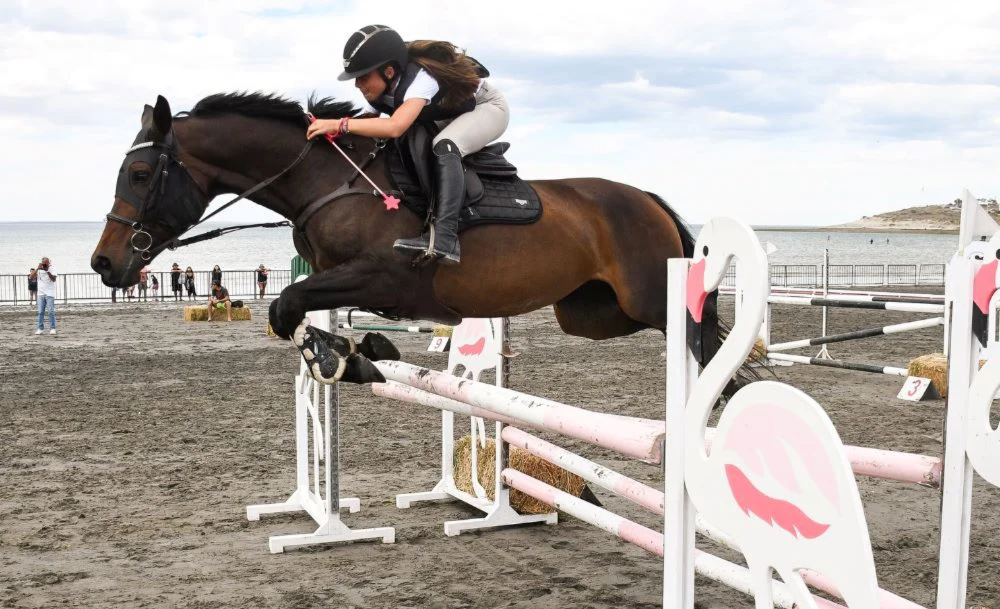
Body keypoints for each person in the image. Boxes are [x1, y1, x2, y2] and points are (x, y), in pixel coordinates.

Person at [307, 25, 508, 266]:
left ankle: (445, 239)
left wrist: (339, 124)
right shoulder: (382, 89)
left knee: (445, 145)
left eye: (363, 77)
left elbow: (394, 126)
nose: (358, 84)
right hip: (449, 113)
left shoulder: (422, 79)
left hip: (487, 108)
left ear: (389, 71)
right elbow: (366, 125)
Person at [30, 257, 57, 335]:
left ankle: (52, 328)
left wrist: (47, 271)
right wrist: (37, 268)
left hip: (49, 293)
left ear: (49, 263)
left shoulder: (52, 269)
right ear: (41, 263)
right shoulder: (39, 270)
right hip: (40, 294)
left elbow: (54, 279)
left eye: (46, 263)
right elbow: (31, 277)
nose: (45, 264)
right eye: (44, 263)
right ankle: (40, 328)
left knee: (51, 311)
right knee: (40, 312)